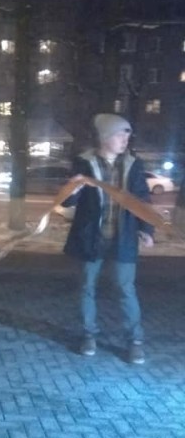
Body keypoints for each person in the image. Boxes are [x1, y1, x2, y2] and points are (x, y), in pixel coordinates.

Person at [63, 113, 154, 364]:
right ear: (105, 137)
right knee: (86, 287)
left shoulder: (133, 165)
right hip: (91, 237)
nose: (125, 140)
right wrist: (74, 188)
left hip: (123, 238)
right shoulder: (83, 163)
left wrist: (146, 228)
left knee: (126, 289)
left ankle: (135, 341)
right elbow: (68, 201)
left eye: (127, 135)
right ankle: (88, 335)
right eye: (120, 134)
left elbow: (142, 199)